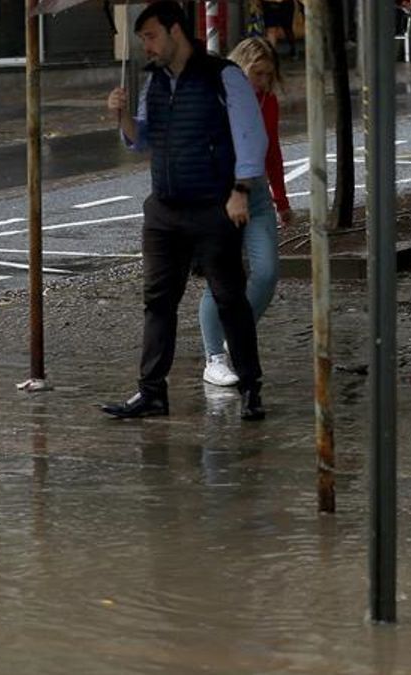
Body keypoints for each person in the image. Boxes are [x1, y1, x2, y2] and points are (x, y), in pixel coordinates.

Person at [102, 0, 268, 421]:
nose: (147, 47)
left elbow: (251, 137)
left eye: (152, 36)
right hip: (164, 209)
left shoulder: (221, 76)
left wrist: (240, 190)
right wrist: (122, 118)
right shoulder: (154, 83)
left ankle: (251, 387)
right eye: (142, 40)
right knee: (158, 301)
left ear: (176, 31)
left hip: (214, 206)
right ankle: (151, 391)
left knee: (230, 298)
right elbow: (142, 140)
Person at [199, 37, 292, 388]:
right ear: (240, 70)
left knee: (266, 272)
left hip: (256, 197)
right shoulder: (220, 101)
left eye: (268, 75)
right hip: (222, 198)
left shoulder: (268, 102)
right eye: (257, 73)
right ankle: (215, 357)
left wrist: (281, 200)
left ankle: (235, 336)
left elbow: (273, 151)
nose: (263, 82)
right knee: (222, 278)